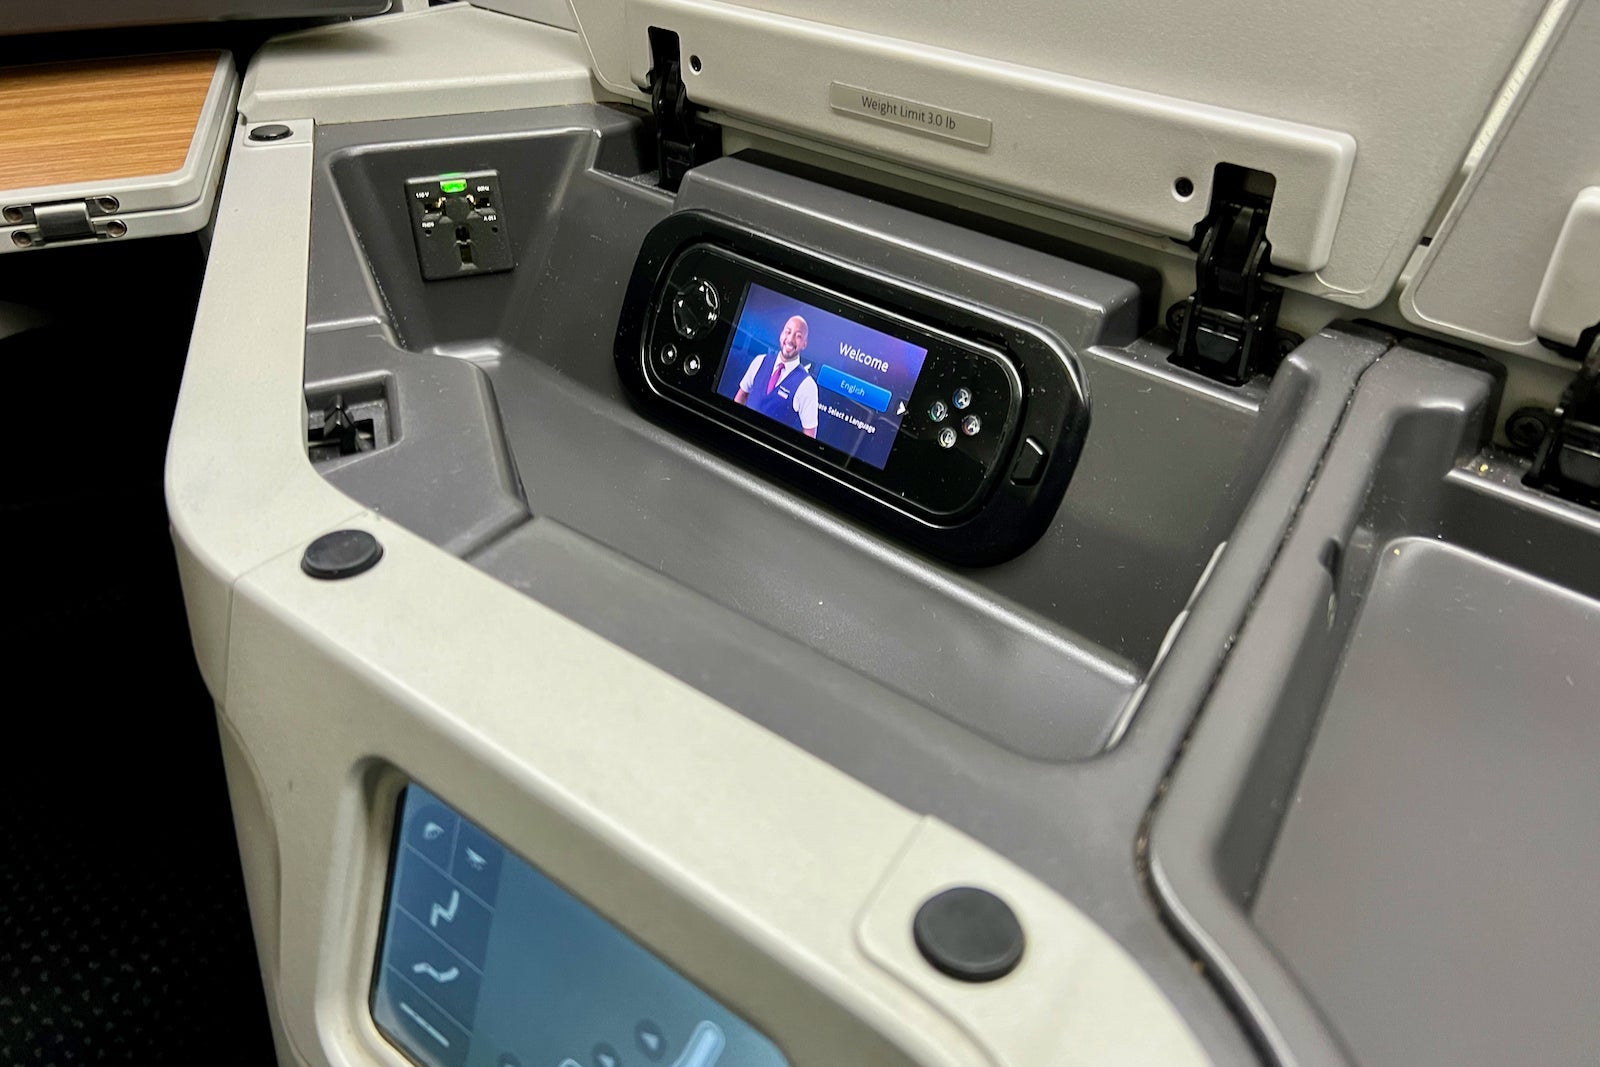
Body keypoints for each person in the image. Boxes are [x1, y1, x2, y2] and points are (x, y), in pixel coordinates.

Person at [734, 314, 818, 437]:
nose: (790, 339)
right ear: (781, 334)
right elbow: (740, 396)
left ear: (804, 344)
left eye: (798, 336)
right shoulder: (759, 361)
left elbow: (809, 435)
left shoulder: (807, 385)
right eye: (788, 332)